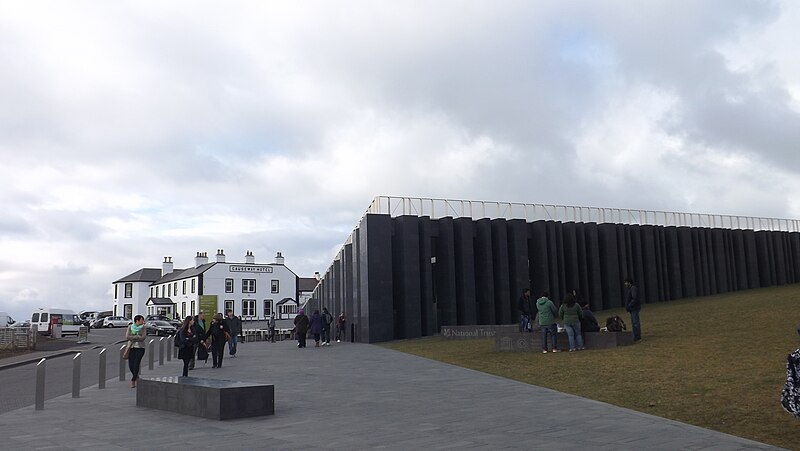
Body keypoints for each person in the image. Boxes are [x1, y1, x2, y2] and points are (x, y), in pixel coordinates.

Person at [125, 315, 146, 388]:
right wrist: (137, 336)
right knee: (131, 365)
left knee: (136, 363)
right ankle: (136, 377)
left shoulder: (143, 327)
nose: (143, 321)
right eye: (142, 320)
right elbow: (127, 336)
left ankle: (133, 380)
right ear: (137, 320)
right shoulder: (130, 327)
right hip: (131, 347)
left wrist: (133, 337)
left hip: (140, 348)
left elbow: (143, 337)